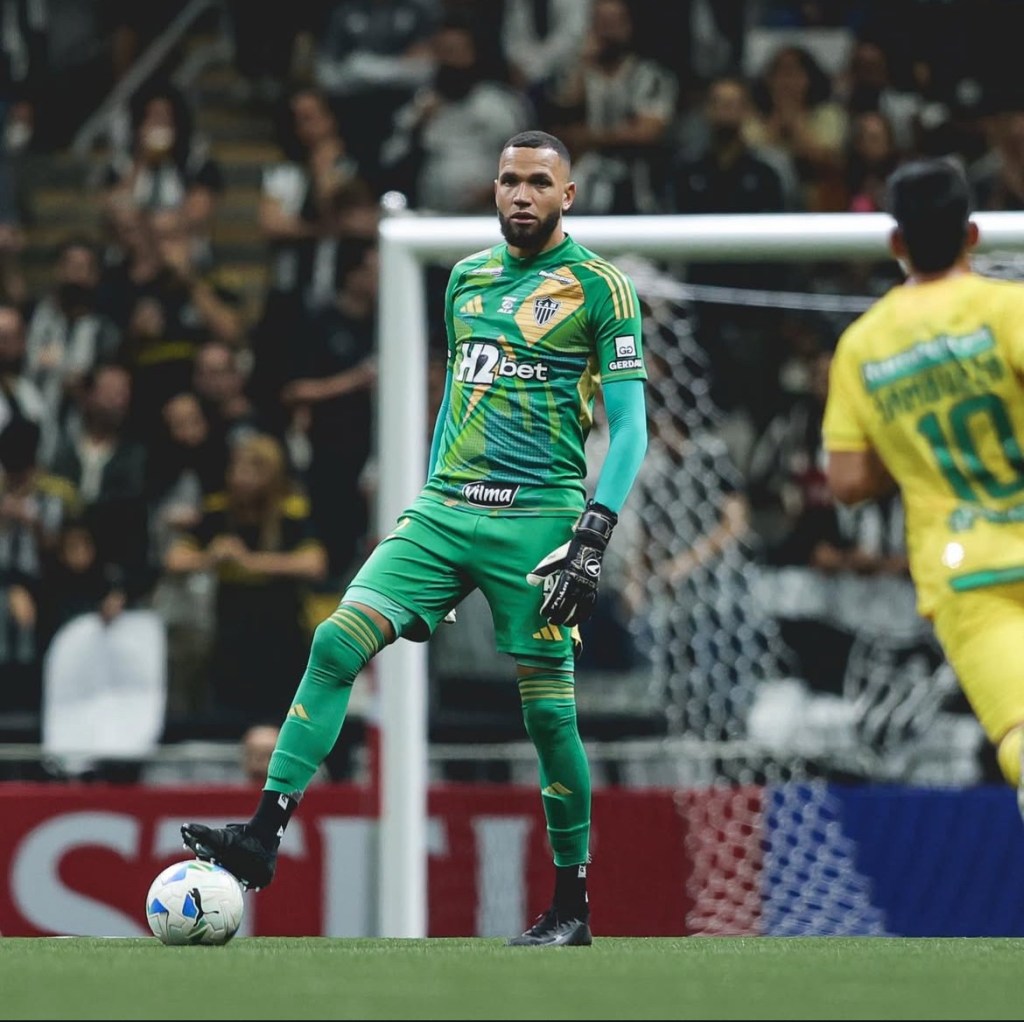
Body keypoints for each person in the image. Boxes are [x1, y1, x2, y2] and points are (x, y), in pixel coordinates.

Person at [181, 129, 649, 947]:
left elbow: (632, 428)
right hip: (444, 511)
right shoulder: (466, 280)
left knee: (548, 718)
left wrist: (590, 537)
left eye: (540, 182)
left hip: (538, 521)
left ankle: (571, 905)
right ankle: (261, 837)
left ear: (567, 196)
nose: (522, 194)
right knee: (336, 641)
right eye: (510, 179)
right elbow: (458, 400)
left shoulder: (601, 288)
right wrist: (425, 500)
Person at [822, 155, 1024, 805]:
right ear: (973, 234)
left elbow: (847, 480)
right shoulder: (1008, 308)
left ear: (896, 243)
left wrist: (905, 436)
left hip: (965, 571)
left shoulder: (863, 344)